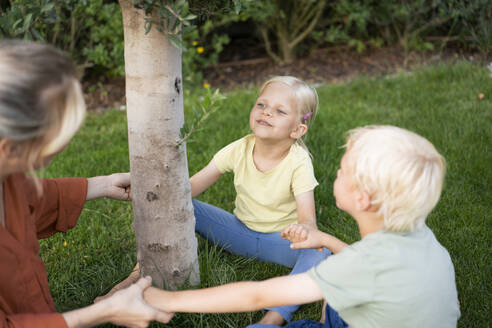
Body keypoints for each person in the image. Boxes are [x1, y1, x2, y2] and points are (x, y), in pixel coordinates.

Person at [143, 125, 461, 328]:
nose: (335, 173)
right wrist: (324, 239)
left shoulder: (358, 268)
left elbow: (257, 296)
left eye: (342, 171)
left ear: (362, 198)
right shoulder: (422, 239)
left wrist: (165, 300)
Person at [104, 76, 331, 325]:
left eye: (279, 110)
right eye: (261, 105)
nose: (266, 113)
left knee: (321, 252)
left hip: (281, 242)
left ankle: (272, 319)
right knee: (185, 205)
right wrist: (152, 196)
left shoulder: (298, 162)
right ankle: (139, 273)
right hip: (239, 234)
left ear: (298, 129)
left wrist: (303, 230)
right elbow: (189, 188)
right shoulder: (239, 149)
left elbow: (308, 218)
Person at [0, 40, 171, 328]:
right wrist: (102, 313)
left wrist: (101, 185)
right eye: (60, 135)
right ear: (11, 148)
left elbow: (32, 199)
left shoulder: (9, 179)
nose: (66, 144)